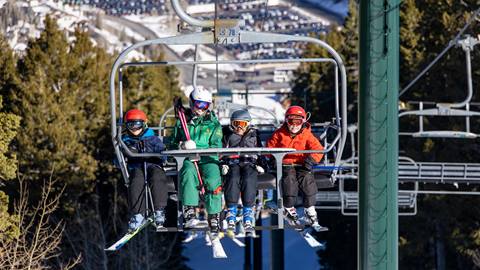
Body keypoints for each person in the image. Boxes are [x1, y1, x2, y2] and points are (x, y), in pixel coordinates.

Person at [169, 88, 223, 233]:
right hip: (187, 157)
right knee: (187, 172)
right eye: (198, 104)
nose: (201, 109)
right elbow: (172, 143)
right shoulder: (183, 122)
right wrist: (181, 146)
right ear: (192, 103)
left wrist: (205, 152)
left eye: (205, 106)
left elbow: (217, 145)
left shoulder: (213, 124)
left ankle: (214, 215)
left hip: (207, 157)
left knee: (213, 177)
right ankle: (189, 212)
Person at [266, 105, 326, 230]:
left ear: (303, 121)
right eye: (291, 122)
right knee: (289, 180)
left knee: (307, 180)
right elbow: (269, 147)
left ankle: (309, 210)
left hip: (303, 164)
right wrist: (272, 158)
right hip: (286, 164)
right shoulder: (280, 134)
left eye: (298, 122)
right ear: (286, 121)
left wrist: (311, 161)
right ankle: (288, 208)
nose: (294, 126)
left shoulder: (306, 135)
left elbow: (318, 149)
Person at [122, 109, 169, 232]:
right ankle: (138, 214)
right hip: (136, 167)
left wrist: (158, 155)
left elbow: (162, 152)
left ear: (144, 124)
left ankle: (159, 211)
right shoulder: (125, 141)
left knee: (157, 177)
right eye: (130, 125)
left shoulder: (152, 139)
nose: (134, 129)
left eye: (137, 124)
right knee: (136, 181)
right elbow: (119, 157)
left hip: (153, 166)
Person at [221, 109, 264, 233]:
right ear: (231, 124)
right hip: (232, 163)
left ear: (248, 124)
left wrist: (262, 165)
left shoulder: (254, 135)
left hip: (249, 163)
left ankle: (248, 211)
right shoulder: (227, 134)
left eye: (243, 124)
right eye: (236, 124)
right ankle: (231, 210)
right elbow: (221, 151)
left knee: (248, 178)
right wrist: (223, 164)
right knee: (233, 178)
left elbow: (260, 151)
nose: (239, 127)